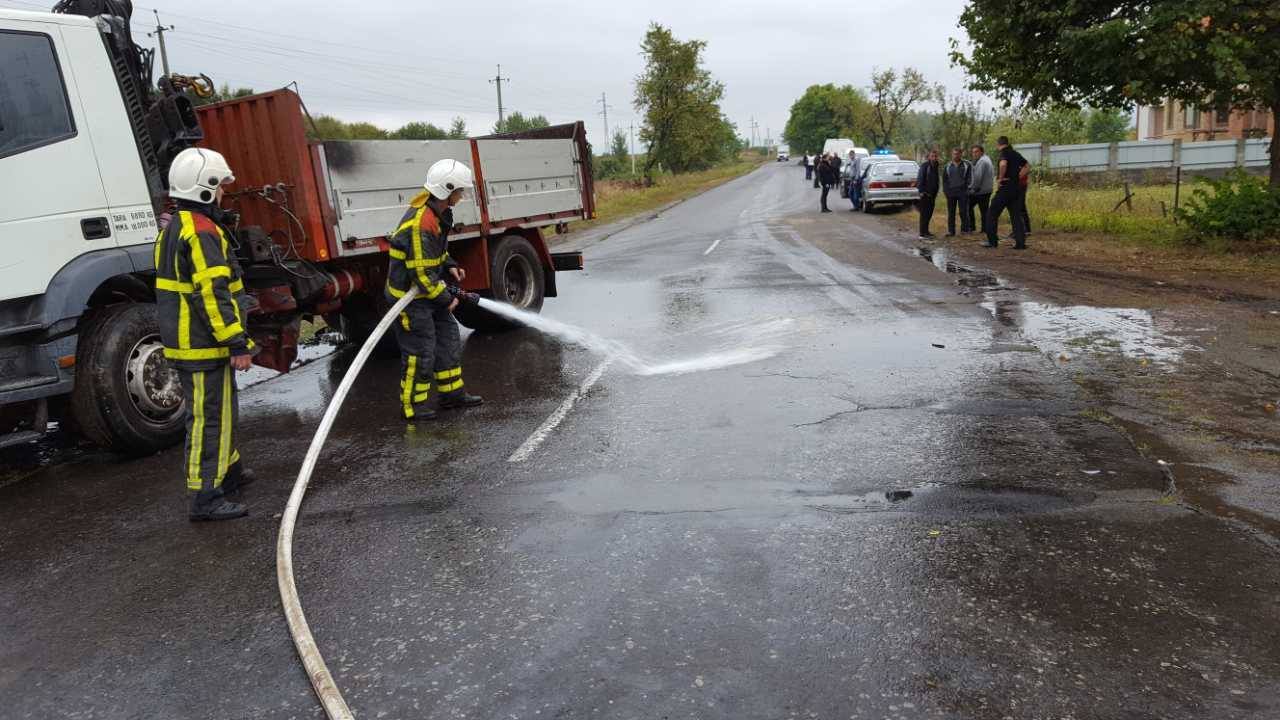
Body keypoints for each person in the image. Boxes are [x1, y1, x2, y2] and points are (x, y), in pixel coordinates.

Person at [155, 148, 257, 522]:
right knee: (208, 418)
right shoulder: (201, 232)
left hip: (193, 341)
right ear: (205, 188)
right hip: (202, 343)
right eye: (221, 186)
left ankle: (227, 473)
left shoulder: (175, 227)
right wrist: (237, 342)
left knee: (221, 411)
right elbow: (212, 295)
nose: (225, 194)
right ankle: (206, 497)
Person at [386, 158, 485, 421]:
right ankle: (413, 406)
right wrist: (445, 299)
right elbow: (419, 272)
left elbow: (435, 253)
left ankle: (452, 395)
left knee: (449, 339)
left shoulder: (439, 213)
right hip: (411, 299)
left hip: (428, 291)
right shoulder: (421, 222)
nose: (461, 196)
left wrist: (450, 265)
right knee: (421, 350)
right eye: (459, 191)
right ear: (447, 189)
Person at [984, 136, 1030, 249]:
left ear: (998, 144)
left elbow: (1003, 164)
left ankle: (992, 242)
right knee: (1016, 216)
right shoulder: (1015, 153)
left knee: (992, 213)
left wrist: (1000, 178)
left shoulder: (1003, 153)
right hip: (1016, 188)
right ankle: (1020, 243)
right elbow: (1027, 166)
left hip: (1005, 188)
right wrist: (1018, 177)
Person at [967, 145, 993, 235]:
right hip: (987, 189)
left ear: (982, 152)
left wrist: (972, 189)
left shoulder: (982, 161)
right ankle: (984, 229)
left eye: (976, 152)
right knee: (984, 210)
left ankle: (971, 226)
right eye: (973, 152)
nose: (974, 154)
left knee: (968, 206)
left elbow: (978, 178)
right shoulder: (987, 159)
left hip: (980, 191)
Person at [916, 149, 940, 238]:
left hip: (932, 195)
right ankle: (922, 233)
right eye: (932, 156)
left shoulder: (936, 165)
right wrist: (921, 191)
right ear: (929, 157)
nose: (934, 158)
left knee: (929, 214)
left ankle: (926, 231)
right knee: (924, 214)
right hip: (925, 194)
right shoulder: (925, 166)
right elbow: (920, 179)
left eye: (936, 156)